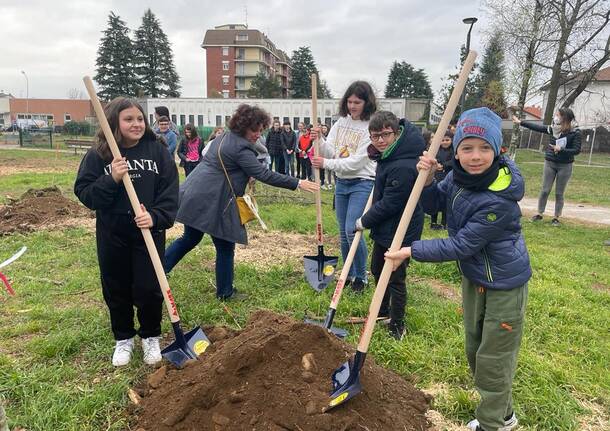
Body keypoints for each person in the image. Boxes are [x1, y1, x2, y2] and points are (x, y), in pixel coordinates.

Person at [385, 107, 531, 431]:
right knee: (476, 350)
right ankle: (503, 413)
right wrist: (428, 179)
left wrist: (411, 250)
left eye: (484, 148)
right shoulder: (457, 176)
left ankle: (493, 424)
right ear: (457, 149)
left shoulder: (499, 200)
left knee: (493, 361)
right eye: (467, 148)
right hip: (476, 278)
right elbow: (435, 203)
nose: (475, 156)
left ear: (498, 150)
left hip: (504, 287)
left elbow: (461, 244)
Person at [164, 104, 318, 300]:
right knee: (225, 246)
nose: (258, 134)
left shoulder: (224, 137)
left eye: (261, 130)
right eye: (255, 130)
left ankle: (158, 271)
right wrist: (297, 182)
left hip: (195, 192)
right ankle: (225, 293)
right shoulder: (240, 147)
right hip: (212, 199)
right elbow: (264, 174)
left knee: (190, 238)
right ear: (243, 126)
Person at [74, 97, 179, 367]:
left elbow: (169, 193)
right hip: (112, 233)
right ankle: (123, 339)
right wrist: (112, 178)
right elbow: (85, 193)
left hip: (148, 233)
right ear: (114, 123)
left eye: (140, 119)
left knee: (148, 287)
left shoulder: (157, 151)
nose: (136, 124)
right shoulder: (100, 154)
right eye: (128, 119)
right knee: (115, 286)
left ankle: (150, 336)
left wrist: (155, 217)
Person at [354, 111, 426, 338]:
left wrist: (363, 221)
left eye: (386, 134)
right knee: (377, 269)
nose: (380, 140)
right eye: (375, 136)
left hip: (401, 229)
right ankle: (382, 311)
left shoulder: (402, 164)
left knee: (395, 276)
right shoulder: (389, 156)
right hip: (387, 228)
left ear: (397, 133)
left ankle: (397, 324)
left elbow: (392, 203)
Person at [311, 81, 377, 293]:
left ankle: (361, 276)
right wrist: (319, 140)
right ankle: (348, 274)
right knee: (343, 231)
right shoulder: (341, 123)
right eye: (349, 101)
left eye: (357, 102)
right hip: (342, 183)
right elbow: (330, 151)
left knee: (352, 230)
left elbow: (358, 161)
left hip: (362, 182)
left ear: (367, 102)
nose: (352, 106)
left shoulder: (371, 127)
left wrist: (326, 164)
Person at [513, 108, 581, 226]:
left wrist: (561, 149)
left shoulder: (575, 132)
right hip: (550, 162)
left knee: (559, 193)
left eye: (558, 115)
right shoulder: (553, 128)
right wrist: (521, 122)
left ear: (564, 118)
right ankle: (539, 213)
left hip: (565, 165)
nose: (555, 117)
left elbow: (576, 150)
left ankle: (556, 217)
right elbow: (538, 128)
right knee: (545, 190)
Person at [430, 129, 454, 230]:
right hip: (437, 177)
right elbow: (432, 158)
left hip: (449, 178)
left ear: (452, 140)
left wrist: (443, 165)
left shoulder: (454, 150)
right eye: (442, 140)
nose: (444, 142)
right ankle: (433, 222)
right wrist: (437, 165)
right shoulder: (436, 149)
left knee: (446, 202)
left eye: (447, 140)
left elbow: (454, 162)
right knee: (434, 200)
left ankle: (444, 223)